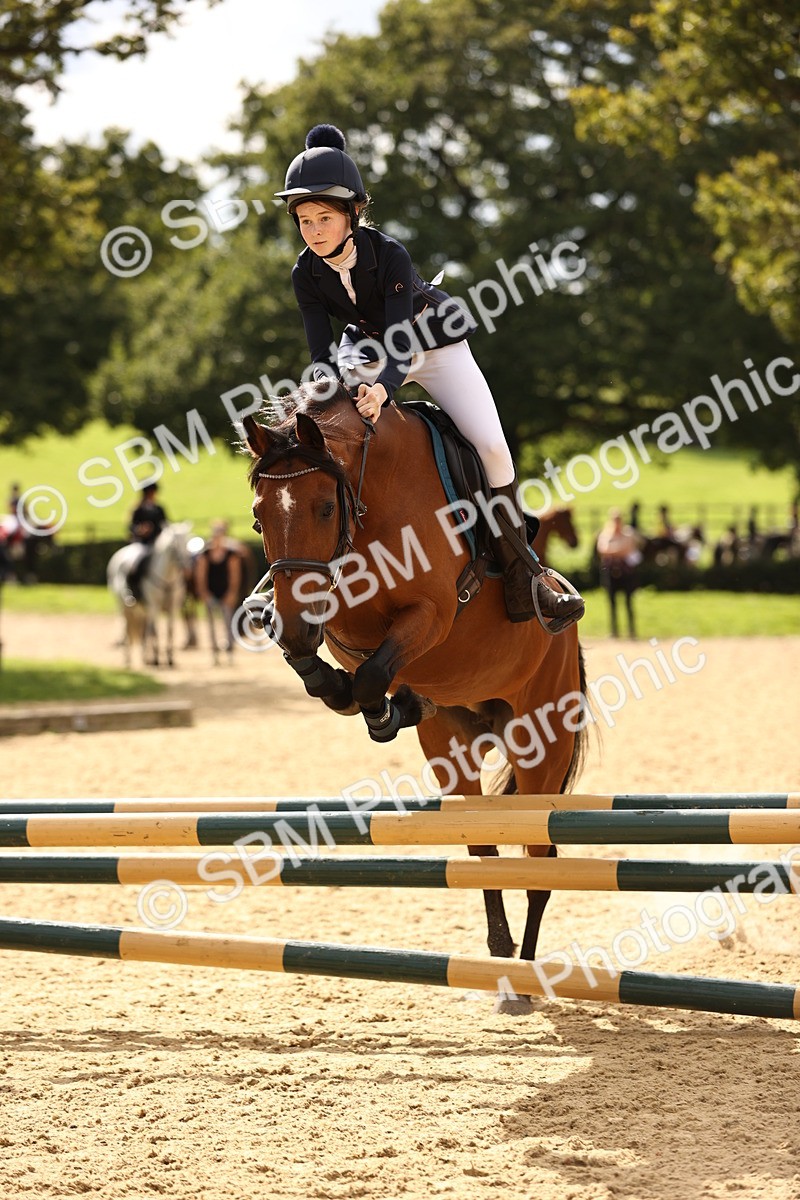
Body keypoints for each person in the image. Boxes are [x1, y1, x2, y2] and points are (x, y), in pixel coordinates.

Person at [274, 123, 584, 631]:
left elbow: (402, 338)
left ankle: (524, 574)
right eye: (304, 221)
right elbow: (319, 351)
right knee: (324, 432)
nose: (313, 231)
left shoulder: (390, 254)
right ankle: (289, 573)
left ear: (353, 213)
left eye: (324, 218)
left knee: (493, 449)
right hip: (368, 354)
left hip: (431, 345)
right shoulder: (303, 273)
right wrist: (335, 393)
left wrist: (383, 390)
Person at [195, 520, 243, 663]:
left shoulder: (231, 554)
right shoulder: (205, 553)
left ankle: (229, 652)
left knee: (228, 623)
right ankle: (214, 653)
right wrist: (204, 593)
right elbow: (200, 575)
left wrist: (232, 593)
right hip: (210, 592)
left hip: (225, 592)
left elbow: (235, 575)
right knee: (210, 625)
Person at [596, 509, 641, 638]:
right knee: (611, 603)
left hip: (625, 572)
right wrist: (619, 550)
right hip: (611, 572)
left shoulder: (627, 534)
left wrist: (612, 550)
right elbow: (602, 549)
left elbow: (627, 548)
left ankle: (631, 631)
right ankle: (614, 631)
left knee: (628, 602)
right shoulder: (606, 533)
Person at [124, 482, 168, 606]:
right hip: (141, 544)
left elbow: (165, 525)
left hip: (157, 544)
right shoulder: (138, 509)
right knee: (136, 563)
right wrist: (140, 530)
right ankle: (133, 592)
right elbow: (131, 527)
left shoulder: (159, 508)